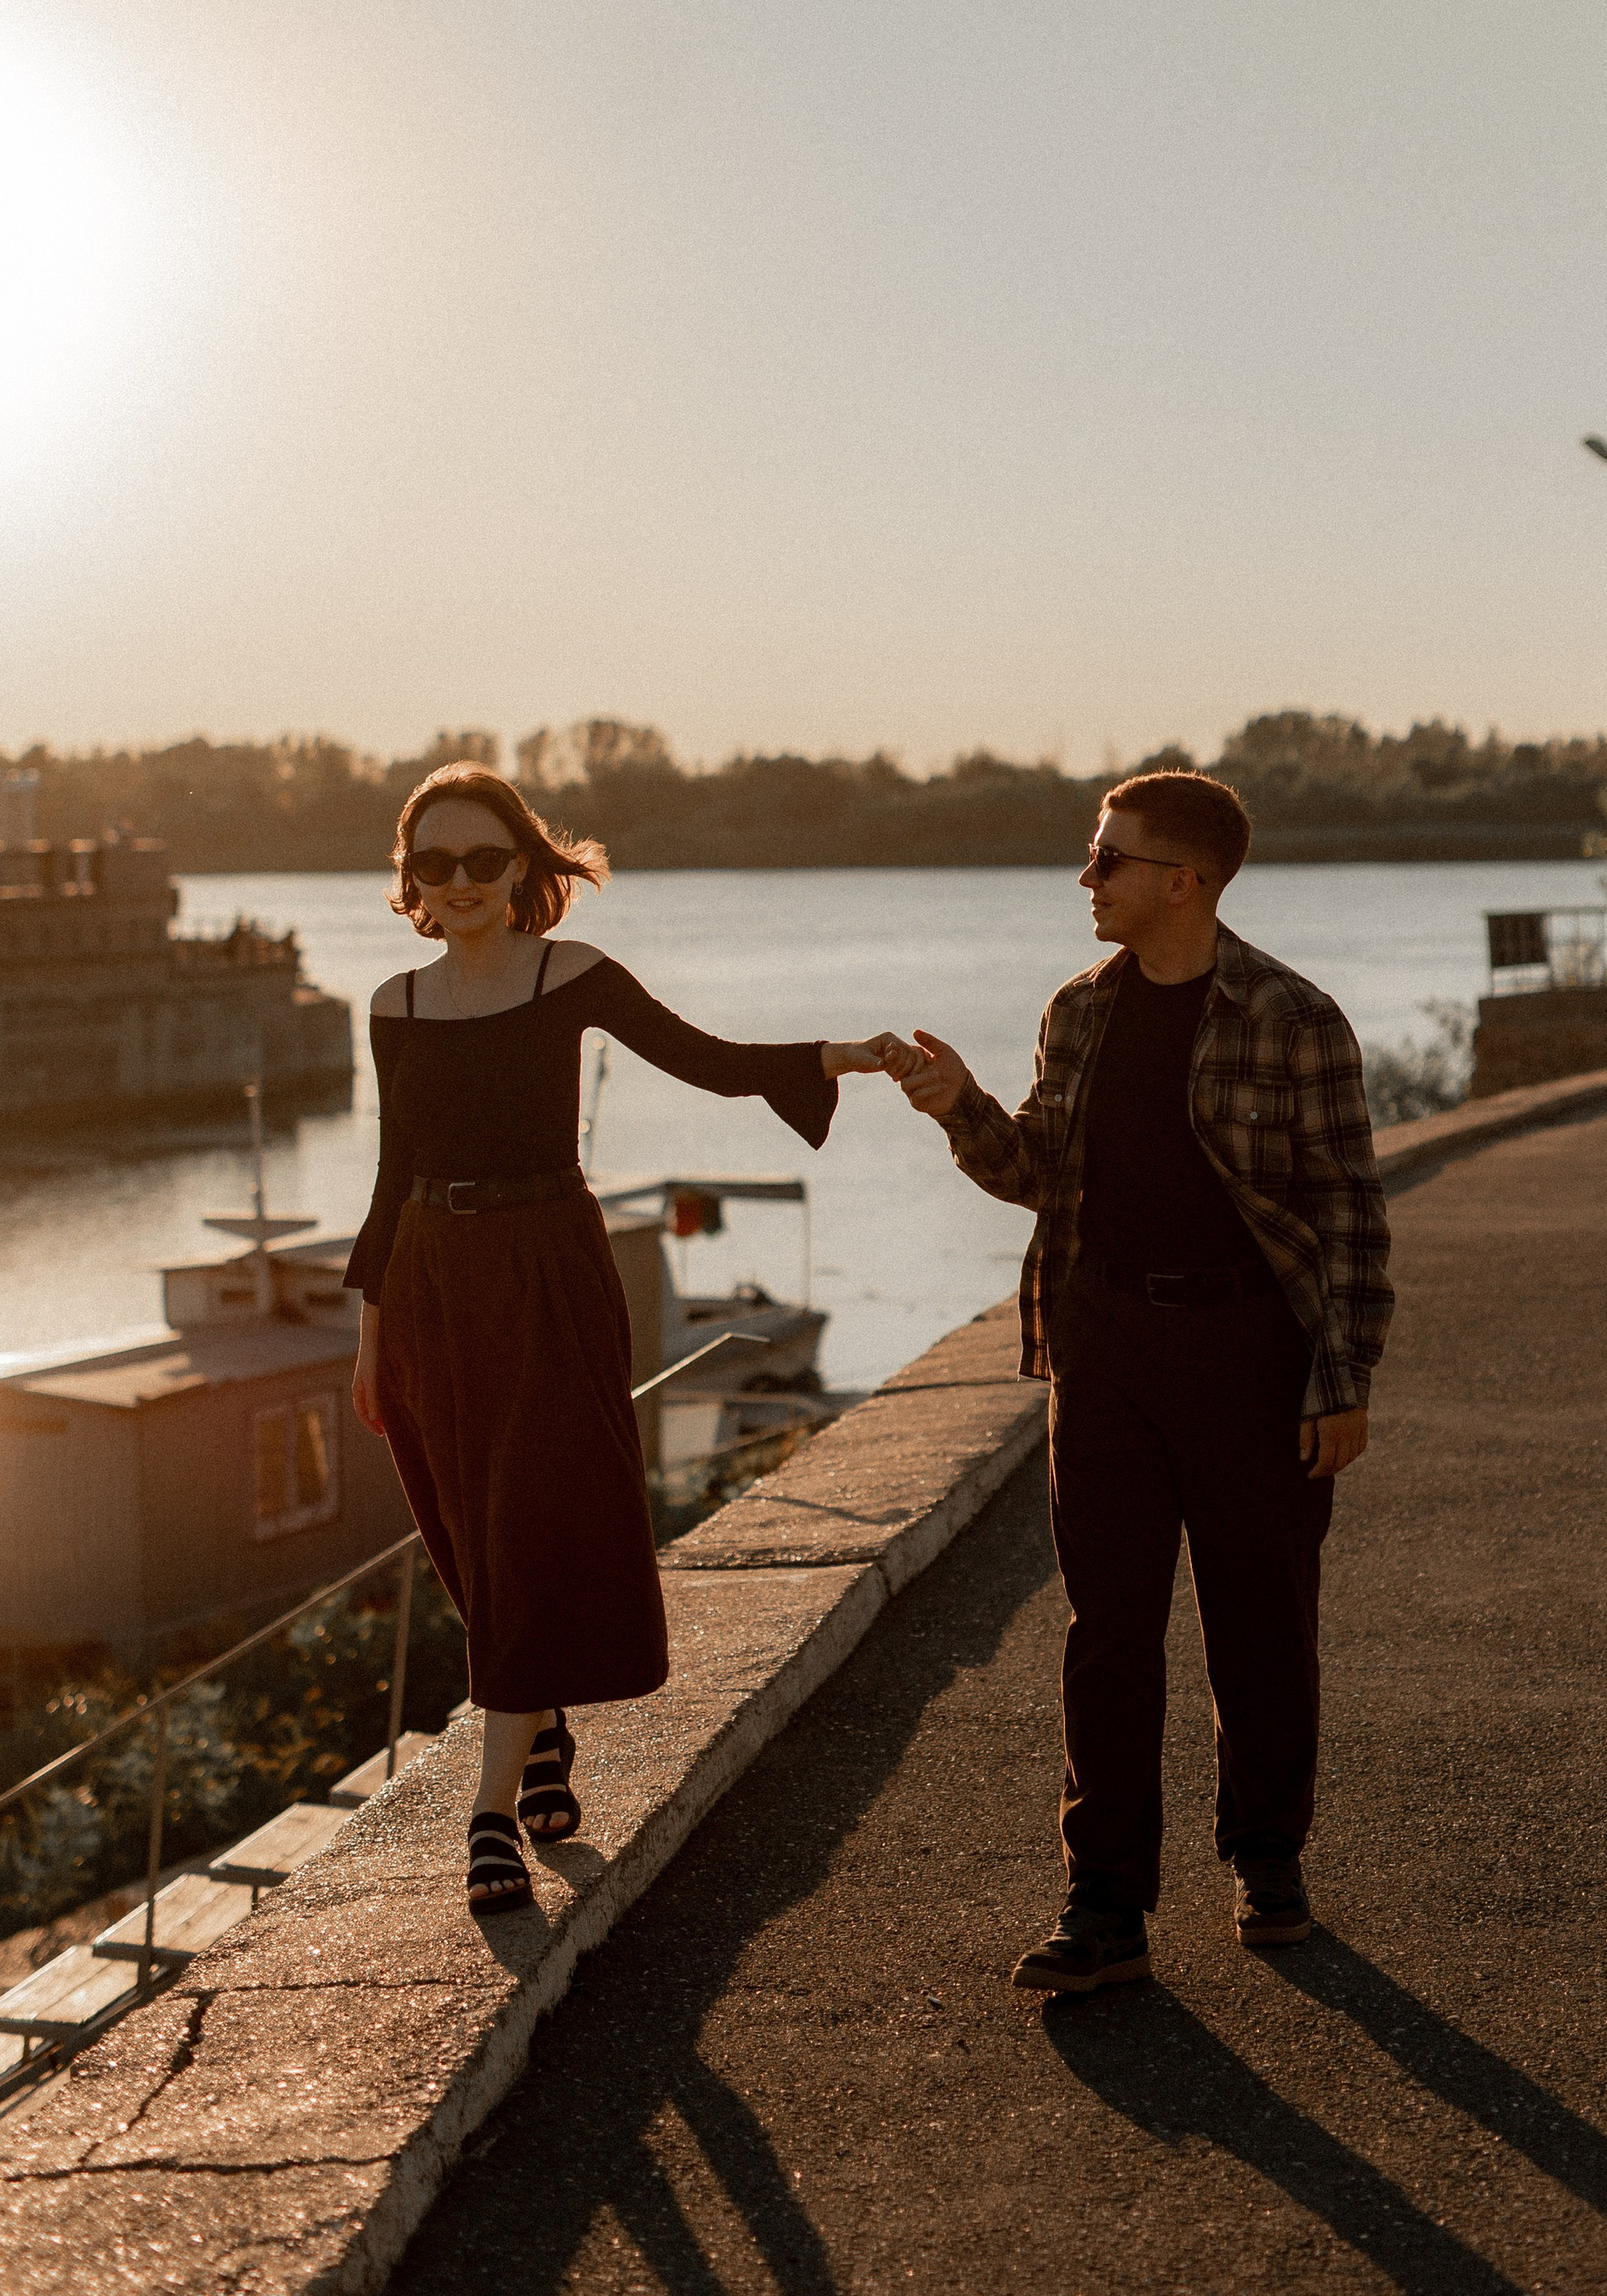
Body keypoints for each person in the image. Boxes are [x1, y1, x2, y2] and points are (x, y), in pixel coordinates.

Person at [345, 760, 898, 1920]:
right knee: (466, 1528)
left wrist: (827, 1059)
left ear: (523, 868)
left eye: (483, 860)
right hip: (431, 1281)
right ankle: (538, 1726)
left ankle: (487, 1813)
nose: (460, 884)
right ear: (410, 879)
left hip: (548, 1264)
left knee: (533, 1513)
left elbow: (705, 1058)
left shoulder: (569, 975)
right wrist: (369, 1334)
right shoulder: (394, 1005)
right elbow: (392, 1175)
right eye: (433, 864)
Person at [888, 768, 1391, 1992]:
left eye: (1108, 859)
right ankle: (1103, 1904)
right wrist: (960, 1108)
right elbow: (1036, 1171)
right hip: (1103, 1345)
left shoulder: (1292, 1016)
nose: (1087, 878)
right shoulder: (1078, 1011)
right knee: (1106, 1632)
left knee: (1259, 1623)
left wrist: (1342, 1380)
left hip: (1249, 1353)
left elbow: (1349, 1215)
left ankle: (1267, 1858)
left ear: (1185, 880)